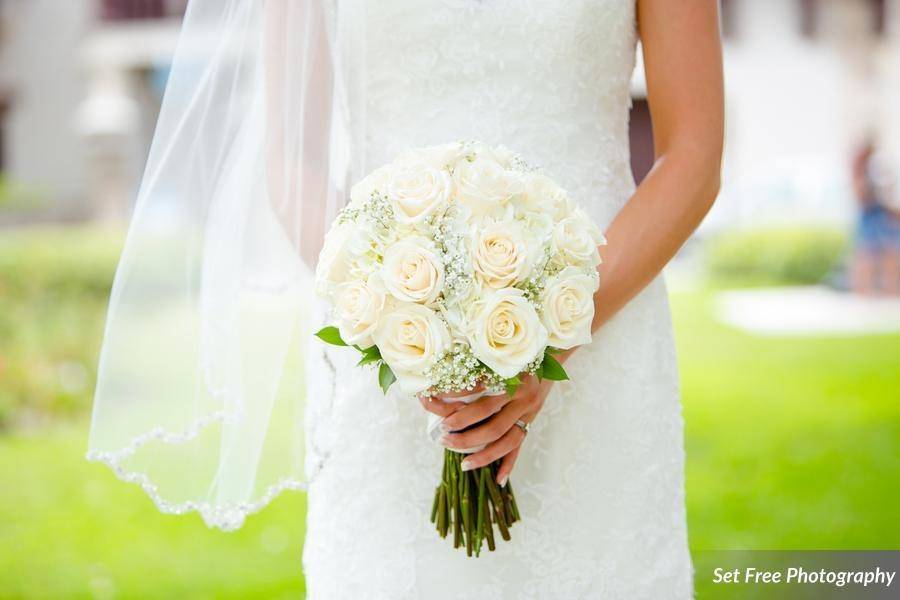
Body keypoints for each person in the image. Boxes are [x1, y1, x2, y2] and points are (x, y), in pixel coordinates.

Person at [89, 1, 723, 598]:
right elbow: (293, 163)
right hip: (393, 363)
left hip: (602, 335)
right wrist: (395, 316)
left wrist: (553, 333)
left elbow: (693, 152)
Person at [851, 140, 900, 295]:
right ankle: (864, 292)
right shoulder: (861, 175)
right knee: (867, 255)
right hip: (871, 216)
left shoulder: (873, 172)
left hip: (880, 215)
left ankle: (890, 291)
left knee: (889, 254)